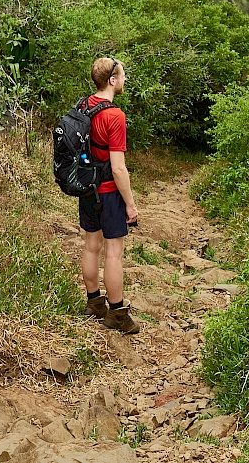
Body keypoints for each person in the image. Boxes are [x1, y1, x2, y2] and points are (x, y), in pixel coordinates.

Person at [80, 56, 140, 334]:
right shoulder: (114, 116)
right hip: (109, 192)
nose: (125, 80)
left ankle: (94, 302)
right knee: (113, 253)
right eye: (123, 76)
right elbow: (118, 169)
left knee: (91, 246)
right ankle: (116, 312)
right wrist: (130, 204)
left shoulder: (84, 106)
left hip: (87, 190)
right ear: (112, 81)